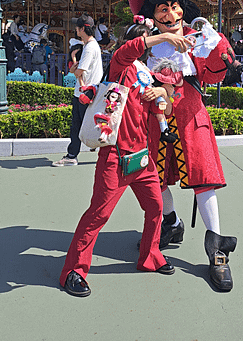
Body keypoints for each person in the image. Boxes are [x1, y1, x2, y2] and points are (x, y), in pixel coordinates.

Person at [103, 0, 237, 292]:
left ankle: (217, 250)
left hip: (191, 117)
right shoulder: (146, 46)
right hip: (154, 121)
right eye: (163, 9)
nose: (172, 14)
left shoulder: (197, 39)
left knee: (204, 180)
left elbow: (214, 73)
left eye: (175, 6)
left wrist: (215, 42)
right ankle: (171, 222)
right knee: (155, 177)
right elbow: (125, 72)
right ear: (152, 16)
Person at [59, 23, 191, 297]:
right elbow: (128, 50)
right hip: (115, 157)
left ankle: (150, 256)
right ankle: (74, 270)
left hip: (142, 159)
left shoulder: (145, 73)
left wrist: (162, 94)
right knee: (98, 214)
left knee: (156, 208)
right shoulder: (120, 65)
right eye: (143, 39)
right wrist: (163, 36)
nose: (147, 43)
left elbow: (167, 96)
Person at [53, 15, 103, 167]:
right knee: (86, 124)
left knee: (78, 125)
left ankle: (71, 155)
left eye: (77, 27)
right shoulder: (91, 45)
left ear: (82, 29)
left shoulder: (89, 48)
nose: (75, 29)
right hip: (87, 91)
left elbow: (80, 70)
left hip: (84, 92)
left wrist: (76, 70)